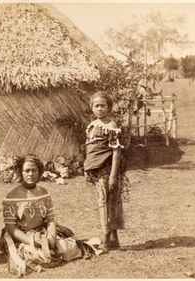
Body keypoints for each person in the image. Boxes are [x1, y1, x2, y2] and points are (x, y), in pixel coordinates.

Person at [0, 154, 94, 276]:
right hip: (21, 237)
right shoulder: (12, 196)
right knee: (38, 254)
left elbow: (50, 219)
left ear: (39, 172)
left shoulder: (44, 193)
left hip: (41, 232)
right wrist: (31, 241)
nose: (31, 174)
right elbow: (11, 228)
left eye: (34, 170)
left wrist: (51, 237)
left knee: (65, 248)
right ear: (20, 172)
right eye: (27, 170)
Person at [84, 91, 127, 253]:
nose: (100, 108)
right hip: (96, 169)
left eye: (103, 105)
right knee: (108, 202)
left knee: (105, 203)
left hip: (107, 170)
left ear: (109, 107)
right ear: (92, 107)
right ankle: (114, 239)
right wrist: (87, 167)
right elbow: (91, 150)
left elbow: (116, 152)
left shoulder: (111, 126)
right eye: (97, 105)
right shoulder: (94, 124)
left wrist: (113, 176)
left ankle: (106, 241)